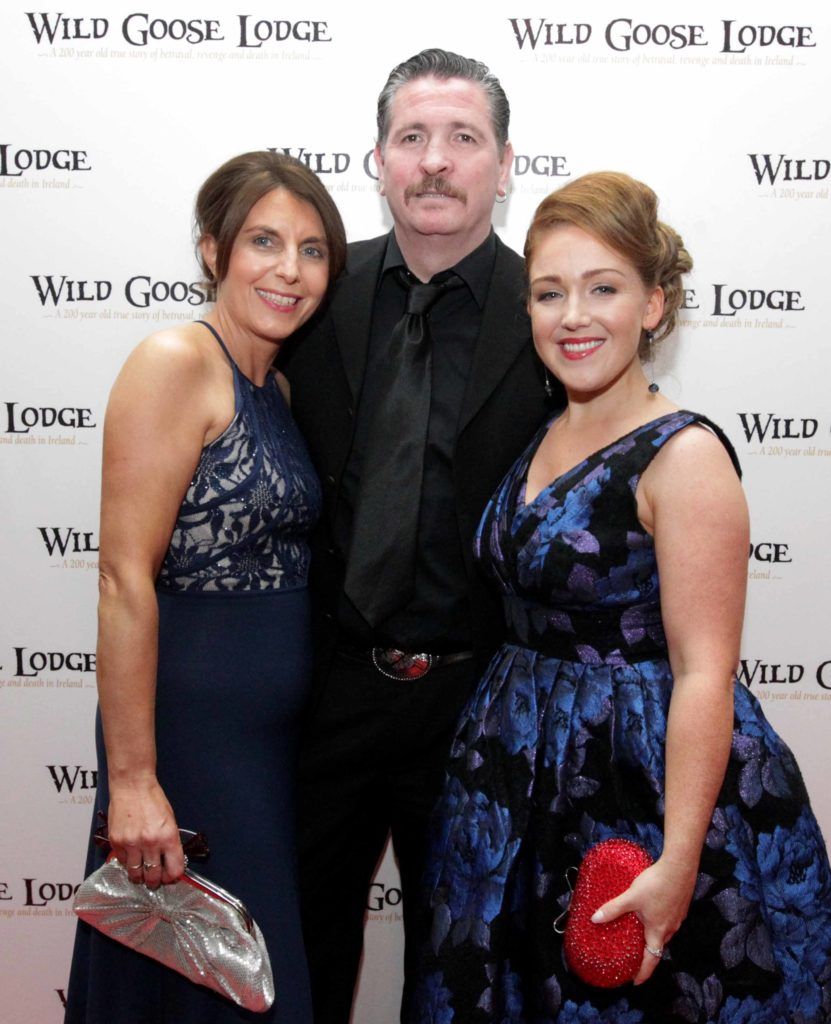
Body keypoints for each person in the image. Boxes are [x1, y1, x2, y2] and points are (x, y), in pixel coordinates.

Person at [410, 172, 831, 1022]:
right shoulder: (544, 432)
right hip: (516, 774)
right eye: (548, 293)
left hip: (636, 780)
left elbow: (705, 672)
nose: (573, 316)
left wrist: (677, 864)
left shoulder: (684, 457)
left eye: (602, 288)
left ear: (652, 303)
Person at [283, 48, 562, 1023]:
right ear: (377, 158)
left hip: (476, 706)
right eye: (413, 138)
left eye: (462, 139)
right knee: (296, 963)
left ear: (505, 161)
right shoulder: (311, 295)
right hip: (326, 690)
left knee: (458, 979)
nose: (435, 161)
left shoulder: (553, 313)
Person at [65, 151, 346, 1024]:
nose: (289, 269)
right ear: (212, 249)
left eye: (311, 248)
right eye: (264, 240)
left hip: (266, 759)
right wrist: (137, 779)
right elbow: (122, 578)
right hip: (186, 751)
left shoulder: (279, 384)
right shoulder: (176, 359)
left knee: (246, 987)